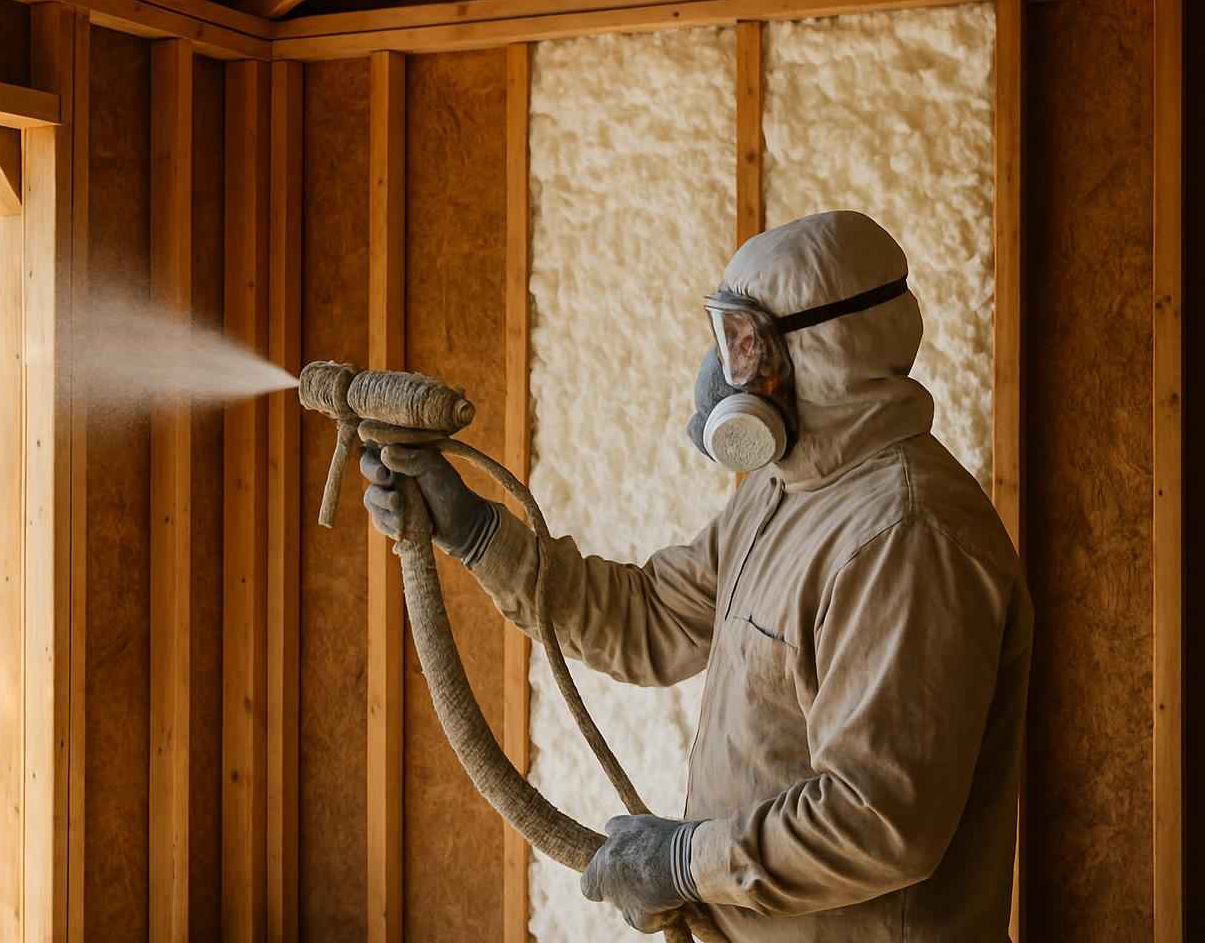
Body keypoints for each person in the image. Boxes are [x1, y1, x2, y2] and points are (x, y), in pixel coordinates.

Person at [361, 211, 1032, 941]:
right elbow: (651, 619)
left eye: (745, 344)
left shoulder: (904, 539)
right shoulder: (783, 494)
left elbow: (878, 819)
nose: (721, 376)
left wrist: (685, 863)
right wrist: (477, 531)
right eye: (727, 340)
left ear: (828, 351)